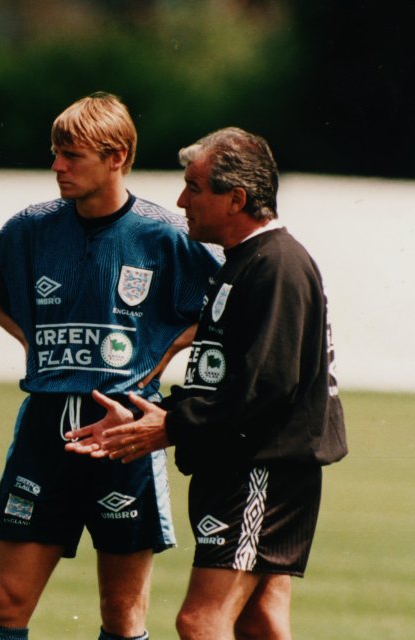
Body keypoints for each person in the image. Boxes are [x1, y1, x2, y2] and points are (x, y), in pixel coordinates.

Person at [0, 93, 222, 640]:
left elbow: (231, 303)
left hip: (124, 428)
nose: (57, 167)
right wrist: (24, 334)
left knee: (122, 616)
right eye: (55, 153)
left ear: (117, 156)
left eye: (72, 155)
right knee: (4, 604)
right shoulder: (31, 227)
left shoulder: (164, 233)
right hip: (44, 425)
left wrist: (168, 349)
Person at [66, 127, 348, 639]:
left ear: (236, 198)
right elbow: (228, 378)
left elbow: (267, 387)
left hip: (261, 469)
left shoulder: (276, 266)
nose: (181, 200)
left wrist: (171, 426)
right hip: (241, 464)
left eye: (194, 188)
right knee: (259, 622)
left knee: (200, 621)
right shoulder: (245, 264)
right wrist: (146, 416)